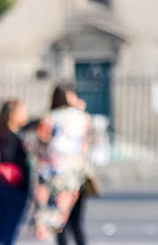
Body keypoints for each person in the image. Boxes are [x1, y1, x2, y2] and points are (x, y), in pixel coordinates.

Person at [30, 86, 90, 243]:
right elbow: (84, 146)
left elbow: (40, 146)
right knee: (76, 223)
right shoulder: (82, 117)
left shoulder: (50, 118)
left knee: (59, 224)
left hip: (55, 176)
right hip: (77, 176)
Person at [0, 100, 32, 245]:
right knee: (8, 231)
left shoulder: (2, 132)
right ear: (13, 115)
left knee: (0, 229)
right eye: (23, 111)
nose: (26, 114)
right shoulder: (12, 137)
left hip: (3, 187)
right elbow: (8, 157)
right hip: (13, 189)